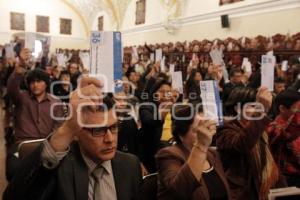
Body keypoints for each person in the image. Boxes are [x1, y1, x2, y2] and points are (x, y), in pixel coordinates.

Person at [3, 76, 142, 200]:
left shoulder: (130, 165)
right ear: (76, 133)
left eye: (114, 127)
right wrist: (67, 129)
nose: (110, 139)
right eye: (98, 130)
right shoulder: (59, 168)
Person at [217, 87, 286, 200]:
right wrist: (260, 111)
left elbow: (268, 161)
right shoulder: (225, 130)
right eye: (252, 106)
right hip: (243, 194)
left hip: (266, 190)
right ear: (237, 108)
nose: (255, 110)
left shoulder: (258, 128)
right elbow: (243, 144)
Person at [156, 104, 231, 200]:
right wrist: (201, 146)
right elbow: (181, 190)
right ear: (181, 134)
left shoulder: (212, 154)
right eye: (198, 131)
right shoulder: (168, 155)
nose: (206, 134)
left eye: (207, 128)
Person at [266, 89, 300, 187]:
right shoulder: (273, 128)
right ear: (282, 109)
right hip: (288, 180)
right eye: (297, 109)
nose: (298, 113)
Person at [139, 78, 174, 173]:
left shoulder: (175, 109)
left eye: (168, 92)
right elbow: (149, 121)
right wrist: (163, 113)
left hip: (174, 152)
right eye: (162, 91)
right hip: (154, 156)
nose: (165, 94)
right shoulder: (146, 107)